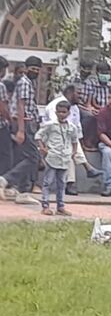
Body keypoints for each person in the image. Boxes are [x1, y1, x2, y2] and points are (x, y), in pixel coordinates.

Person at [0, 56, 42, 204]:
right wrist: (21, 130)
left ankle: (23, 191)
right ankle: (6, 179)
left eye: (37, 70)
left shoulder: (29, 83)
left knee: (24, 157)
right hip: (24, 122)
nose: (35, 72)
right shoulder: (24, 83)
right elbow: (20, 105)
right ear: (26, 68)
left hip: (28, 122)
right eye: (32, 69)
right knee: (33, 157)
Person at [35, 100, 79, 216]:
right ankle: (45, 205)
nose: (61, 114)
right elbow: (38, 135)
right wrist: (42, 148)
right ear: (55, 112)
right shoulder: (50, 125)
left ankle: (60, 206)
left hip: (64, 158)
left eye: (64, 112)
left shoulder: (72, 127)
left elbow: (75, 140)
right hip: (52, 156)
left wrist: (73, 152)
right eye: (59, 112)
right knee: (48, 182)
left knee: (62, 183)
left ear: (68, 113)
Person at [80, 60, 111, 150]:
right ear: (98, 73)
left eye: (107, 73)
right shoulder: (89, 83)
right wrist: (92, 108)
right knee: (90, 116)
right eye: (103, 73)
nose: (105, 75)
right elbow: (85, 101)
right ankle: (88, 142)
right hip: (92, 109)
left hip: (108, 109)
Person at [0, 56, 11, 176]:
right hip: (1, 126)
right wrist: (9, 119)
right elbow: (2, 107)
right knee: (5, 156)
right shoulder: (1, 86)